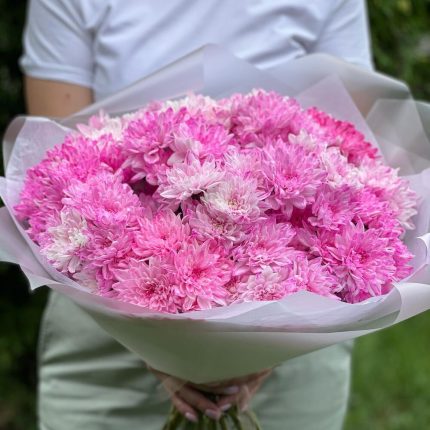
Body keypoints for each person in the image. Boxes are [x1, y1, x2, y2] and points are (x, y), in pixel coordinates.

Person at [20, 1, 373, 429]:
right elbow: (59, 158)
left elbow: (350, 146)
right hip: (101, 325)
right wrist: (164, 345)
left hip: (295, 338)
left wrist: (264, 343)